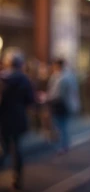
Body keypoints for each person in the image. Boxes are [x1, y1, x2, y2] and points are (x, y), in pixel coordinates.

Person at [0, 49, 35, 190]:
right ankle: (16, 179)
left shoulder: (1, 79)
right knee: (17, 149)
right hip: (19, 118)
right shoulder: (24, 79)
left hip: (3, 119)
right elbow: (30, 100)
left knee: (5, 148)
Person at [46, 59, 79, 154]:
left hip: (60, 105)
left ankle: (63, 146)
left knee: (60, 126)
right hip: (64, 104)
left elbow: (57, 93)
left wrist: (46, 97)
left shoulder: (61, 77)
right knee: (63, 126)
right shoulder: (67, 76)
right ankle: (64, 145)